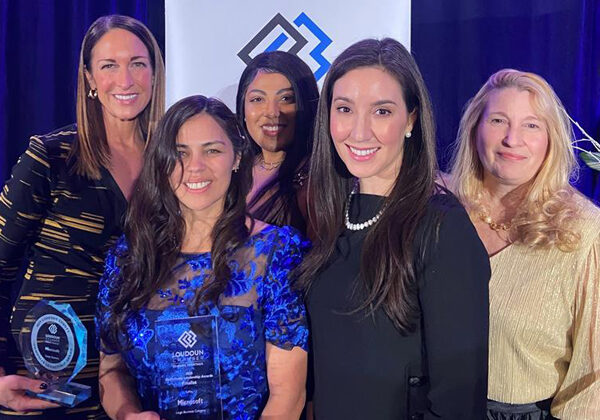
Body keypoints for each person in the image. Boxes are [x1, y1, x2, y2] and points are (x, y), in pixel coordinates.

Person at [299, 38, 490, 419]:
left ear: (412, 120)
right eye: (344, 109)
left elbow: (458, 399)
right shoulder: (334, 216)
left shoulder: (441, 226)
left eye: (382, 111)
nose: (359, 131)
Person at [96, 95, 309, 419]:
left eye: (212, 150)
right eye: (180, 154)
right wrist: (128, 414)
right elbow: (111, 372)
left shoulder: (275, 253)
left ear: (237, 157)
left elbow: (288, 396)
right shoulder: (129, 258)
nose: (195, 167)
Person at [0, 14, 165, 418]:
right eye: (109, 66)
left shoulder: (174, 165)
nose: (125, 79)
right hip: (45, 389)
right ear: (89, 78)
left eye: (137, 63)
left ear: (155, 72)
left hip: (138, 391)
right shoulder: (50, 157)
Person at [450, 69, 600, 419]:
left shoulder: (584, 232)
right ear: (475, 129)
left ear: (551, 138)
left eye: (531, 125)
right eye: (499, 120)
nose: (512, 139)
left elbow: (594, 378)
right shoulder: (439, 211)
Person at [236, 51, 319, 234]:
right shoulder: (231, 171)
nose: (272, 112)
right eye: (257, 99)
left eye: (286, 99)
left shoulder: (317, 181)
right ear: (242, 110)